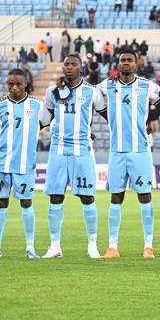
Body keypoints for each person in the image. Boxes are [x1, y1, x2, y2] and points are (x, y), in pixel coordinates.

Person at [97, 49, 160, 259]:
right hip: (117, 152)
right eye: (122, 60)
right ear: (117, 64)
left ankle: (148, 245)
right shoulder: (106, 86)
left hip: (140, 151)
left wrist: (150, 120)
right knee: (116, 197)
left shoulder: (147, 85)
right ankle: (113, 246)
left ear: (137, 63)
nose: (126, 63)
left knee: (144, 196)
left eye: (129, 60)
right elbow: (86, 96)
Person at [39, 54, 107, 259]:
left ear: (81, 68)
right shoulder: (52, 91)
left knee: (87, 197)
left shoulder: (91, 92)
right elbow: (43, 119)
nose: (69, 67)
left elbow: (109, 116)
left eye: (73, 64)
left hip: (82, 149)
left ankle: (92, 245)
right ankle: (54, 245)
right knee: (55, 197)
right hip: (58, 149)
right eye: (66, 64)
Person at [0, 69, 43, 259]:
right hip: (2, 164)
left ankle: (30, 248)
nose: (14, 87)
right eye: (10, 84)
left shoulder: (37, 106)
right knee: (1, 203)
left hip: (25, 164)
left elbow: (56, 123)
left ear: (26, 84)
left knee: (26, 202)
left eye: (18, 84)